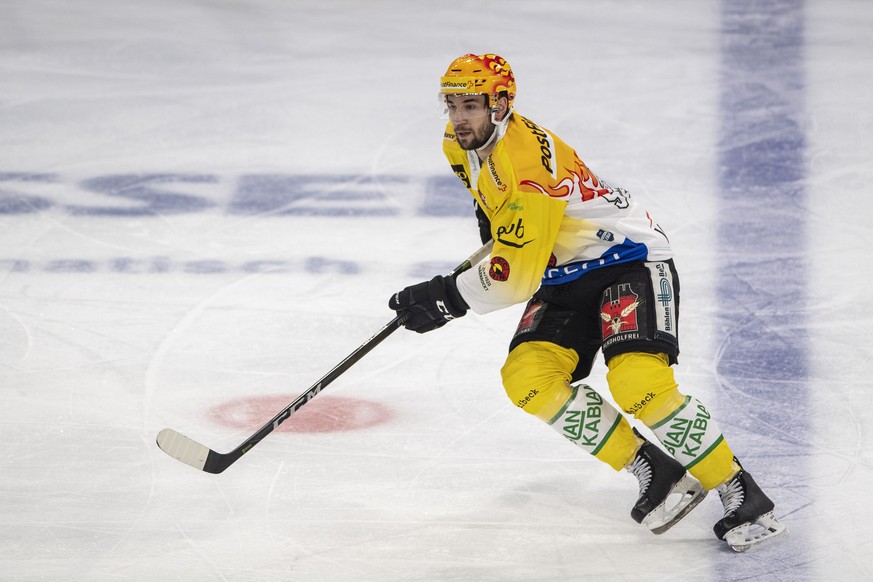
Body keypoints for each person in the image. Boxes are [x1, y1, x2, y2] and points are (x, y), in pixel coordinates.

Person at [387, 53, 788, 552]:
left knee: (637, 380)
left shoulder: (528, 165)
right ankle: (657, 471)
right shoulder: (459, 143)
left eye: (471, 105)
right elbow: (495, 216)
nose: (458, 117)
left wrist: (446, 297)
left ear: (502, 103)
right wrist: (492, 246)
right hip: (564, 272)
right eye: (451, 105)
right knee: (528, 379)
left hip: (627, 261)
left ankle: (741, 492)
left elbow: (514, 282)